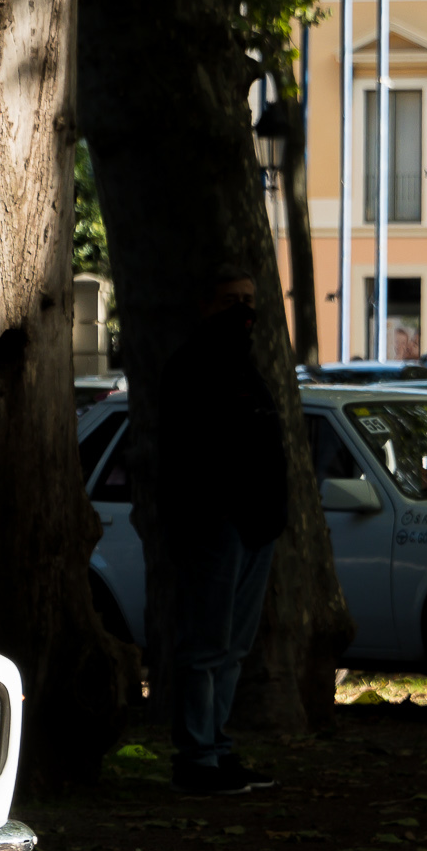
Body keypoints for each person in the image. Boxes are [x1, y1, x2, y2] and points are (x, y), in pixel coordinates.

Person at [157, 269, 286, 796]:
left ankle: (217, 748)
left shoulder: (248, 368)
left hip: (257, 524)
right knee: (207, 646)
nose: (243, 310)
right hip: (214, 524)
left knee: (232, 648)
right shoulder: (191, 366)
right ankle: (197, 758)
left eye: (249, 300)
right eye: (231, 299)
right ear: (206, 304)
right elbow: (186, 454)